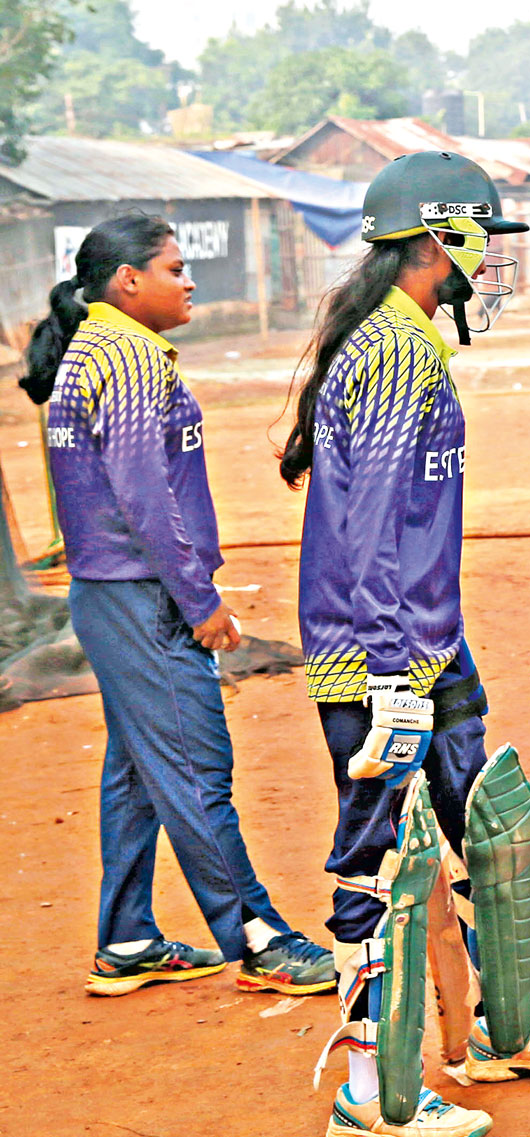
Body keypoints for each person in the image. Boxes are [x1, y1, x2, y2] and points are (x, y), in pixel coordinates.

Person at [279, 151, 530, 1137]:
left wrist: (424, 649)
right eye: (485, 240)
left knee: (489, 827)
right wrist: (392, 675)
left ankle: (500, 1031)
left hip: (427, 637)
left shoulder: (408, 340)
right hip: (379, 650)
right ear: (441, 238)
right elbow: (373, 528)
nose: (494, 263)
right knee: (380, 861)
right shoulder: (392, 351)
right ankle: (367, 1094)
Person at [19, 214, 334, 999]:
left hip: (111, 595)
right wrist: (200, 599)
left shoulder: (97, 350)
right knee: (197, 770)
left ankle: (126, 936)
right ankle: (260, 937)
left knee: (138, 771)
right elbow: (143, 496)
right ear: (128, 280)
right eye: (173, 267)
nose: (189, 280)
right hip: (142, 598)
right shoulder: (125, 357)